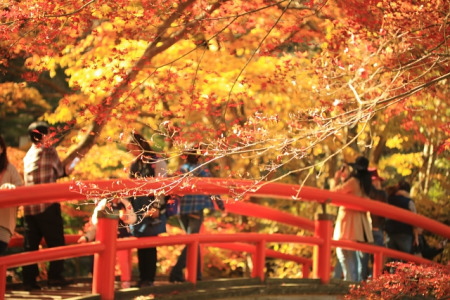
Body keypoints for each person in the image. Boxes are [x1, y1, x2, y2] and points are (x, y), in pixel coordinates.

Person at [22, 121, 76, 290]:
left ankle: (29, 281)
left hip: (29, 207)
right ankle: (55, 278)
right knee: (56, 242)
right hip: (47, 205)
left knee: (31, 245)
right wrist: (75, 162)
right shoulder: (49, 151)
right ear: (44, 135)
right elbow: (60, 172)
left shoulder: (28, 155)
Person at [169, 148, 225, 283]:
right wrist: (220, 204)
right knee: (192, 242)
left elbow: (174, 189)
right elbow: (212, 188)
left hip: (183, 210)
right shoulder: (202, 170)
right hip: (196, 209)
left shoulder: (182, 169)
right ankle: (175, 273)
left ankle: (197, 274)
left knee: (194, 241)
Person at [127, 132, 168, 288]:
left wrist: (156, 205)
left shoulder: (157, 161)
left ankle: (148, 278)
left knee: (150, 243)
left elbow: (162, 186)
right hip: (137, 206)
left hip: (152, 205)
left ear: (140, 145)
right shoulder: (134, 164)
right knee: (140, 242)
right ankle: (142, 277)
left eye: (132, 148)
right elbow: (130, 187)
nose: (131, 151)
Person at [77, 197, 136, 288]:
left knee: (124, 260)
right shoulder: (103, 204)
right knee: (107, 261)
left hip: (122, 236)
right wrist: (87, 237)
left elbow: (133, 218)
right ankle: (105, 282)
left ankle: (125, 281)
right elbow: (96, 222)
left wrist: (125, 217)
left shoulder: (124, 203)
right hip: (107, 237)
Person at [332, 156, 374, 282]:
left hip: (348, 220)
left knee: (344, 252)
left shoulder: (354, 181)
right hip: (359, 222)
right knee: (350, 253)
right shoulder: (365, 182)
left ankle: (351, 284)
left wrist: (336, 179)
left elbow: (334, 193)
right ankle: (352, 283)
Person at [0, 135, 24, 254]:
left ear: (1, 149)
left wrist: (11, 189)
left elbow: (21, 190)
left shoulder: (9, 169)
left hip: (2, 225)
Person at [385, 180, 416, 256]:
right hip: (405, 234)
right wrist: (416, 235)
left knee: (392, 260)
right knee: (405, 260)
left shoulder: (389, 199)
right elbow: (415, 219)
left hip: (390, 233)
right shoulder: (409, 202)